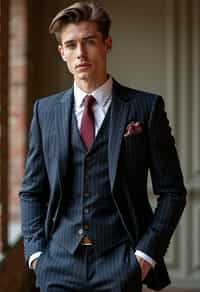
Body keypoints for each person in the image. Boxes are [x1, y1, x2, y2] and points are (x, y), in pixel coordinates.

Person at [19, 1, 187, 291]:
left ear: (106, 44)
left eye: (89, 42)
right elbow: (32, 190)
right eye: (70, 45)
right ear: (62, 53)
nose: (80, 53)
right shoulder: (44, 112)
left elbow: (173, 192)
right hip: (58, 263)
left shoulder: (145, 108)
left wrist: (144, 256)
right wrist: (36, 255)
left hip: (120, 263)